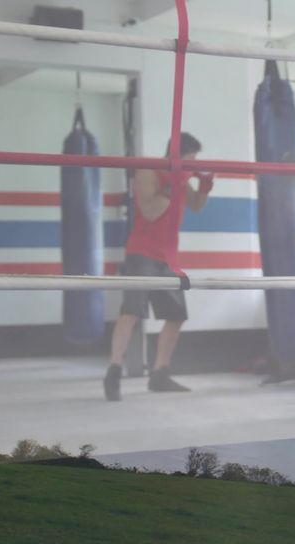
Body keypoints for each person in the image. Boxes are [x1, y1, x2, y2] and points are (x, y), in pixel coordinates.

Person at [102, 132, 214, 401]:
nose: (192, 164)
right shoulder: (148, 170)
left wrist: (205, 186)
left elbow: (196, 206)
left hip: (168, 257)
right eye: (190, 159)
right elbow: (151, 210)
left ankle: (159, 374)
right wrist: (175, 182)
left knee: (176, 316)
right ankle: (114, 372)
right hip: (142, 253)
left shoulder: (180, 178)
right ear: (178, 155)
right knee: (131, 312)